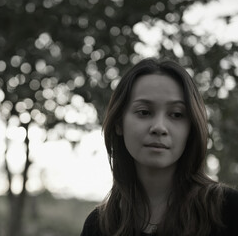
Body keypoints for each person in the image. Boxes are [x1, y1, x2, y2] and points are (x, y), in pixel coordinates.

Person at [80, 58, 238, 236]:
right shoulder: (99, 226)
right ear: (119, 123)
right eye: (144, 112)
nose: (159, 127)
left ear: (191, 128)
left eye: (176, 114)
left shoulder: (229, 211)